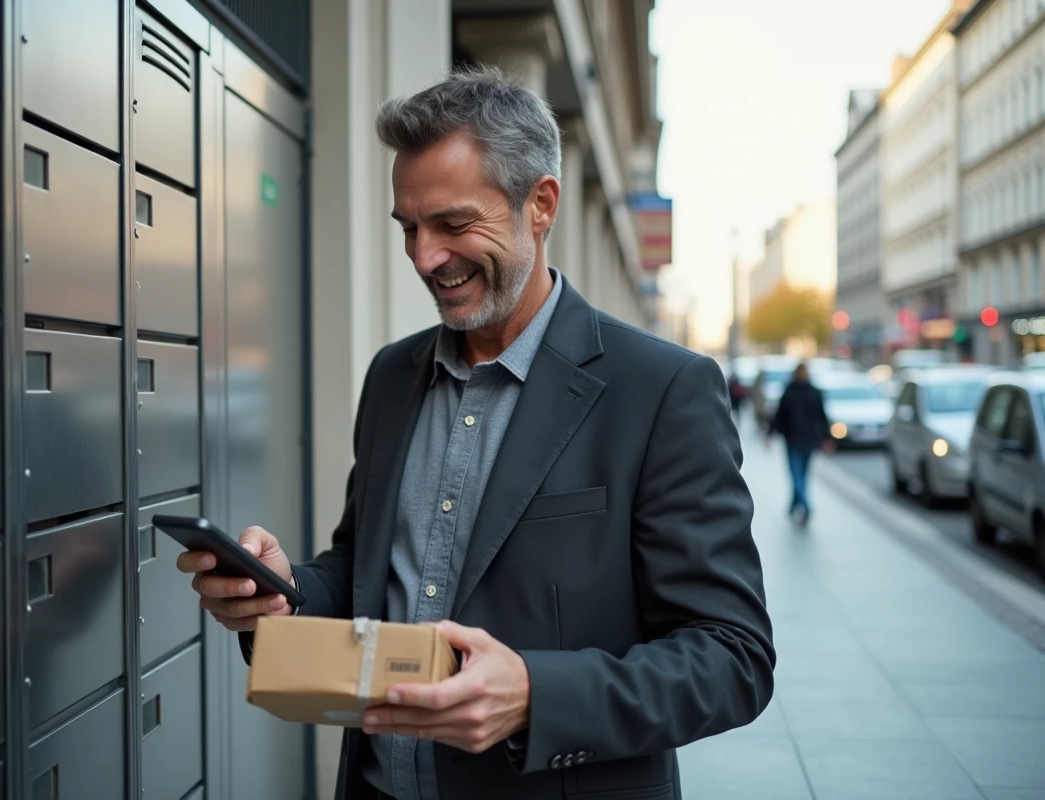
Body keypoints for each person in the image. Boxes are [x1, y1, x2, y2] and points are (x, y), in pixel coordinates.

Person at [178, 66, 774, 800]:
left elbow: (733, 657)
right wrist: (287, 593)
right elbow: (368, 570)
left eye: (454, 225)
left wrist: (535, 695)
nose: (424, 257)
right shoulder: (392, 377)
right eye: (409, 228)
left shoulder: (663, 389)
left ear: (542, 205)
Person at [766, 362, 833, 524]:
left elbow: (779, 415)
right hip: (810, 440)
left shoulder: (790, 391)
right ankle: (795, 504)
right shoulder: (814, 392)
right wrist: (827, 437)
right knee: (802, 474)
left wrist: (769, 434)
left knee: (796, 473)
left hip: (793, 439)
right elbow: (822, 417)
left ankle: (804, 504)